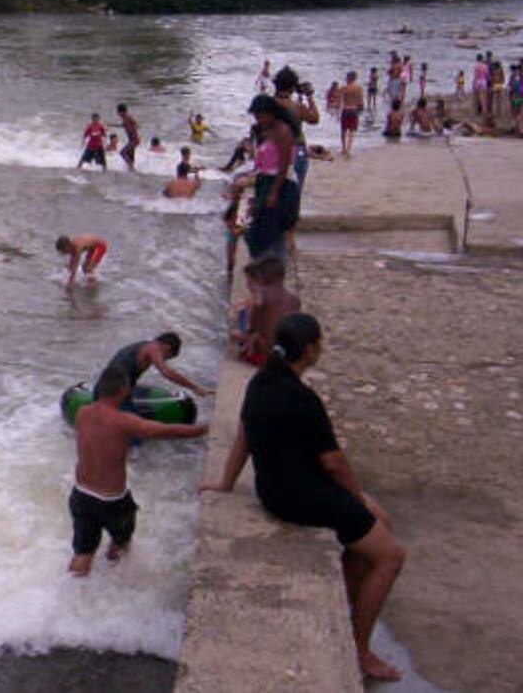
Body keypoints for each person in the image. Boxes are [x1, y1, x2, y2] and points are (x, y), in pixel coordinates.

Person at [202, 313, 406, 682]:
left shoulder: (260, 382)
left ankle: (350, 601)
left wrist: (225, 483)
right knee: (391, 556)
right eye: (320, 342)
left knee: (383, 523)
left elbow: (244, 434)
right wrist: (356, 501)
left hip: (273, 489)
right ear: (309, 350)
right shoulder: (303, 399)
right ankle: (361, 650)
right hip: (303, 498)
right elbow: (334, 463)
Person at [68, 363, 208, 576]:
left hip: (81, 495)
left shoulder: (82, 412)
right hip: (112, 501)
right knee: (121, 542)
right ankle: (117, 577)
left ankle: (74, 590)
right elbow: (166, 431)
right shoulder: (124, 421)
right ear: (123, 390)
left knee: (83, 552)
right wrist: (204, 429)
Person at [245, 86, 300, 262]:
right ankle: (269, 267)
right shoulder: (266, 130)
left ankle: (274, 268)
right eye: (256, 117)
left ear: (270, 113)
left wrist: (274, 192)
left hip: (281, 185)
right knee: (264, 231)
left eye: (260, 116)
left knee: (271, 231)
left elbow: (284, 165)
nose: (258, 120)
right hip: (266, 182)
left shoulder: (283, 131)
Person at [92, 333, 215, 400]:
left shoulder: (146, 345)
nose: (164, 360)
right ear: (167, 347)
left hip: (111, 387)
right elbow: (166, 372)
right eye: (167, 357)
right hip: (110, 394)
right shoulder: (154, 348)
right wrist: (194, 387)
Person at [230, 257, 300, 367]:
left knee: (233, 335)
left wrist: (249, 334)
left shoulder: (261, 294)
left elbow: (251, 328)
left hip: (264, 355)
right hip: (285, 355)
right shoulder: (295, 300)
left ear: (262, 276)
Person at [275, 80, 319, 189]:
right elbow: (314, 119)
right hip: (297, 146)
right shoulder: (297, 107)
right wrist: (309, 97)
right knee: (295, 189)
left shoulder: (268, 105)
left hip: (274, 148)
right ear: (291, 88)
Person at [338, 71, 364, 157]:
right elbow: (361, 101)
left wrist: (337, 112)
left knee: (343, 130)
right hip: (354, 110)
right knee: (352, 131)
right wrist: (360, 110)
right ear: (355, 78)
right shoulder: (359, 88)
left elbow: (339, 101)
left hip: (346, 109)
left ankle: (343, 148)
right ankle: (348, 149)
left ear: (348, 78)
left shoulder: (344, 88)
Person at [115, 103, 139, 171]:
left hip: (134, 140)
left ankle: (132, 168)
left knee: (122, 153)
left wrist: (133, 128)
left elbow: (136, 124)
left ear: (122, 112)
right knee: (130, 156)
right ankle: (131, 169)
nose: (117, 113)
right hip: (131, 140)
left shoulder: (128, 117)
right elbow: (125, 125)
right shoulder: (124, 118)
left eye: (118, 112)